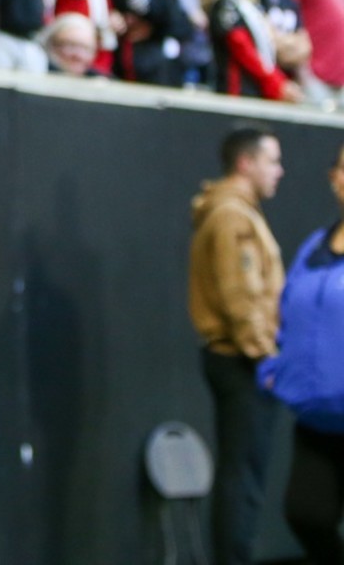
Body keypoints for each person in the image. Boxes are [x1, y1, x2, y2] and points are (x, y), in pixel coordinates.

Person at [189, 125, 286, 565]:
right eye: (272, 161)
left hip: (236, 359)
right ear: (246, 163)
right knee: (242, 480)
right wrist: (265, 354)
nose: (279, 172)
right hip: (241, 361)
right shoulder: (233, 217)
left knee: (241, 475)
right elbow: (241, 294)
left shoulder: (235, 212)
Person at [259, 143, 344, 565]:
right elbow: (288, 312)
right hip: (318, 420)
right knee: (307, 514)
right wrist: (275, 368)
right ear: (334, 177)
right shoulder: (314, 246)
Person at [36, 12, 103, 77]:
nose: (79, 55)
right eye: (71, 46)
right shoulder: (36, 74)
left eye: (87, 48)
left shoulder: (101, 81)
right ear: (51, 45)